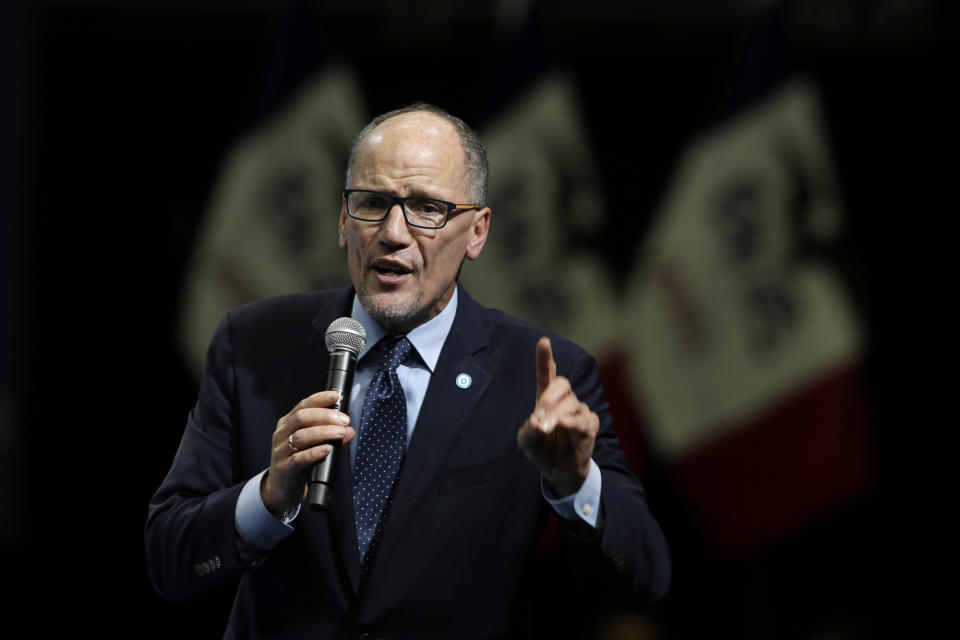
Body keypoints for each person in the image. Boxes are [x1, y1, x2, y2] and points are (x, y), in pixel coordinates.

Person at [146, 103, 670, 639]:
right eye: (373, 203)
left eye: (426, 209)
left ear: (477, 232)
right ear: (343, 222)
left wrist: (575, 482)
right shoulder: (253, 345)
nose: (394, 233)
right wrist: (267, 497)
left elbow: (640, 582)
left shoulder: (542, 375)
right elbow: (170, 562)